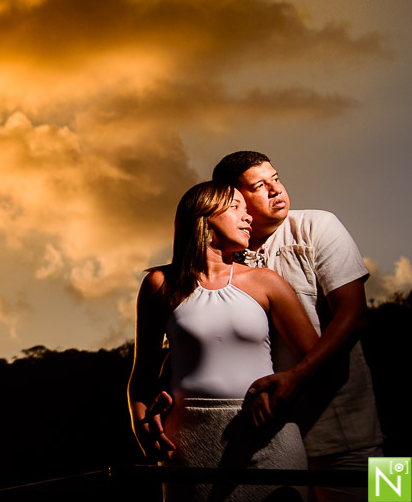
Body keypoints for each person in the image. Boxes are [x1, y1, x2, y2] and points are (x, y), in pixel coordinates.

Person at [129, 181, 319, 502]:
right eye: (236, 207)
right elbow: (142, 375)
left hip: (267, 435)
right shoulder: (159, 284)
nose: (248, 217)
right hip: (188, 441)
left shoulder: (266, 282)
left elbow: (317, 358)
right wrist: (141, 425)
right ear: (204, 216)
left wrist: (283, 387)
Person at [212, 152, 383, 501]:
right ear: (233, 200)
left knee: (395, 497)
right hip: (273, 442)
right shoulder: (223, 258)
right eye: (260, 186)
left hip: (355, 429)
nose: (276, 189)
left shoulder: (319, 224)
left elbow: (355, 315)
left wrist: (297, 377)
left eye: (276, 178)